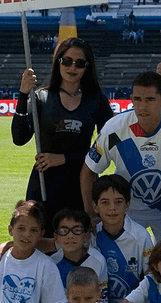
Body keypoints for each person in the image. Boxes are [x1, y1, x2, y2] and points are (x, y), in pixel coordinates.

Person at [12, 37, 114, 235]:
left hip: (82, 187)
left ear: (87, 67)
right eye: (67, 61)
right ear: (58, 62)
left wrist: (64, 158)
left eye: (79, 63)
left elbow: (108, 145)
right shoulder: (41, 97)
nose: (72, 67)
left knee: (76, 243)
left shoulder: (97, 101)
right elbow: (19, 138)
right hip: (44, 186)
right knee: (42, 243)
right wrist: (23, 94)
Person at [82, 71, 161, 239]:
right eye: (137, 99)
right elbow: (88, 170)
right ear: (131, 99)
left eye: (150, 99)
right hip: (125, 209)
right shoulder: (114, 129)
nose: (142, 106)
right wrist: (91, 213)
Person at [90, 176, 155, 303]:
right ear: (95, 207)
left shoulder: (141, 236)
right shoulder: (91, 236)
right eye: (105, 202)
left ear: (127, 205)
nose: (112, 208)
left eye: (118, 202)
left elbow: (151, 275)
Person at [48, 209, 108, 303]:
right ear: (56, 237)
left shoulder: (98, 260)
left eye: (77, 230)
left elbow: (102, 302)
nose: (70, 236)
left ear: (86, 236)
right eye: (63, 231)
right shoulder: (51, 264)